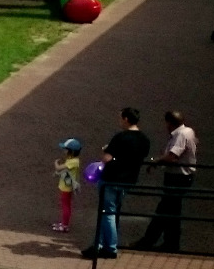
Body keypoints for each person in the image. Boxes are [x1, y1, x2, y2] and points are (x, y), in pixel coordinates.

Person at [84, 107, 150, 259]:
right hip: (128, 180)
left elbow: (106, 158)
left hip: (111, 179)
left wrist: (106, 151)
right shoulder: (144, 139)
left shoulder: (121, 137)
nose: (119, 120)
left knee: (107, 213)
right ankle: (99, 245)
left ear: (126, 119)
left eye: (121, 118)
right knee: (110, 212)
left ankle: (110, 247)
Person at [131, 111, 198, 253]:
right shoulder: (188, 131)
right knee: (172, 212)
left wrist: (155, 161)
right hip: (183, 177)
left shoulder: (180, 135)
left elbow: (173, 156)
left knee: (164, 210)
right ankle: (170, 243)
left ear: (169, 122)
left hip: (177, 178)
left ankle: (148, 241)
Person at [53, 139, 83, 232]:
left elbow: (58, 168)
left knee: (65, 206)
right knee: (66, 205)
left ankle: (65, 225)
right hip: (66, 186)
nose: (64, 151)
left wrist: (56, 163)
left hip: (66, 188)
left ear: (71, 151)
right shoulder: (73, 160)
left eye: (66, 149)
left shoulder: (73, 161)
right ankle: (63, 223)